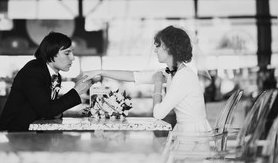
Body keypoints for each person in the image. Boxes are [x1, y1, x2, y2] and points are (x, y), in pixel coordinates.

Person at [83, 25, 212, 135]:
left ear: (170, 48)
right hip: (186, 132)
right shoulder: (173, 73)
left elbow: (158, 114)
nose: (155, 50)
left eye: (158, 45)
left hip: (193, 135)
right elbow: (134, 76)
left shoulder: (183, 76)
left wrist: (157, 84)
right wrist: (100, 72)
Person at [0, 31, 92, 132]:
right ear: (51, 53)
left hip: (33, 133)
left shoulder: (55, 76)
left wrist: (75, 113)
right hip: (12, 135)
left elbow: (50, 108)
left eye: (72, 53)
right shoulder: (33, 71)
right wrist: (77, 91)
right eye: (67, 53)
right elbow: (47, 110)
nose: (73, 58)